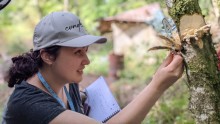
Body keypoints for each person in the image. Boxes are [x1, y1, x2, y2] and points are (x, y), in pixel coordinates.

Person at [3, 11, 184, 124]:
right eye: (77, 53)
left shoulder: (67, 83)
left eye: (86, 51)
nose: (87, 60)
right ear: (48, 56)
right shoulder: (29, 104)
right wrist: (158, 84)